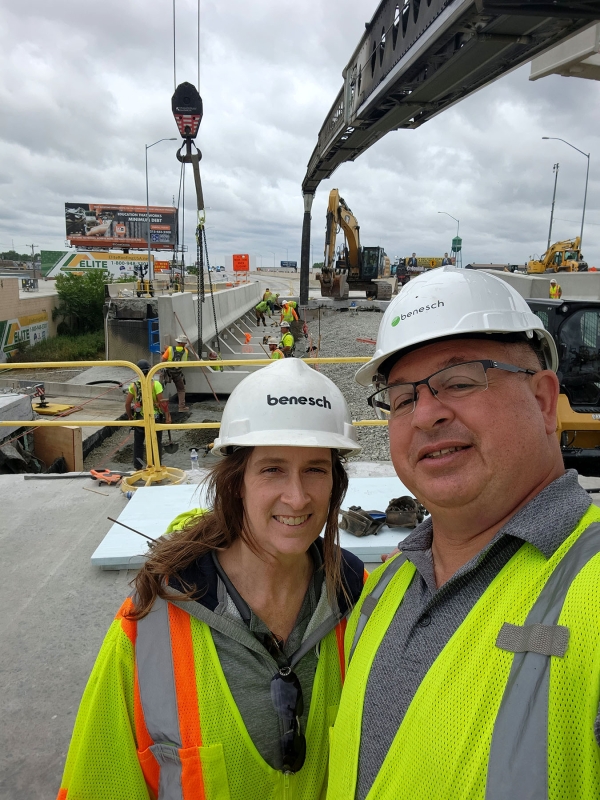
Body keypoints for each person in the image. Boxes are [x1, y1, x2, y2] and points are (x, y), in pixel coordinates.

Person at [327, 266, 600, 799]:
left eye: (459, 381)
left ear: (544, 402)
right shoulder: (387, 586)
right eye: (403, 398)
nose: (426, 414)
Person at [57, 358, 365, 800]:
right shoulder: (150, 622)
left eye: (316, 469)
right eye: (273, 468)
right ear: (236, 482)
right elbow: (100, 780)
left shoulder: (357, 597)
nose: (297, 497)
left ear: (336, 482)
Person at [125, 359, 171, 470]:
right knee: (155, 442)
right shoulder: (156, 384)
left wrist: (130, 417)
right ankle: (156, 466)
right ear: (150, 370)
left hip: (140, 419)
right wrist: (168, 416)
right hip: (155, 418)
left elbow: (127, 404)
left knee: (139, 443)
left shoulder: (134, 386)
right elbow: (162, 403)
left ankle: (138, 466)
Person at [161, 334, 190, 411]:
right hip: (177, 373)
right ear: (184, 343)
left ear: (178, 342)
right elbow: (184, 361)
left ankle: (156, 404)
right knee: (181, 390)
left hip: (168, 372)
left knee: (160, 388)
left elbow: (163, 360)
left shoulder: (170, 349)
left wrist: (165, 351)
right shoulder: (186, 351)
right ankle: (181, 407)